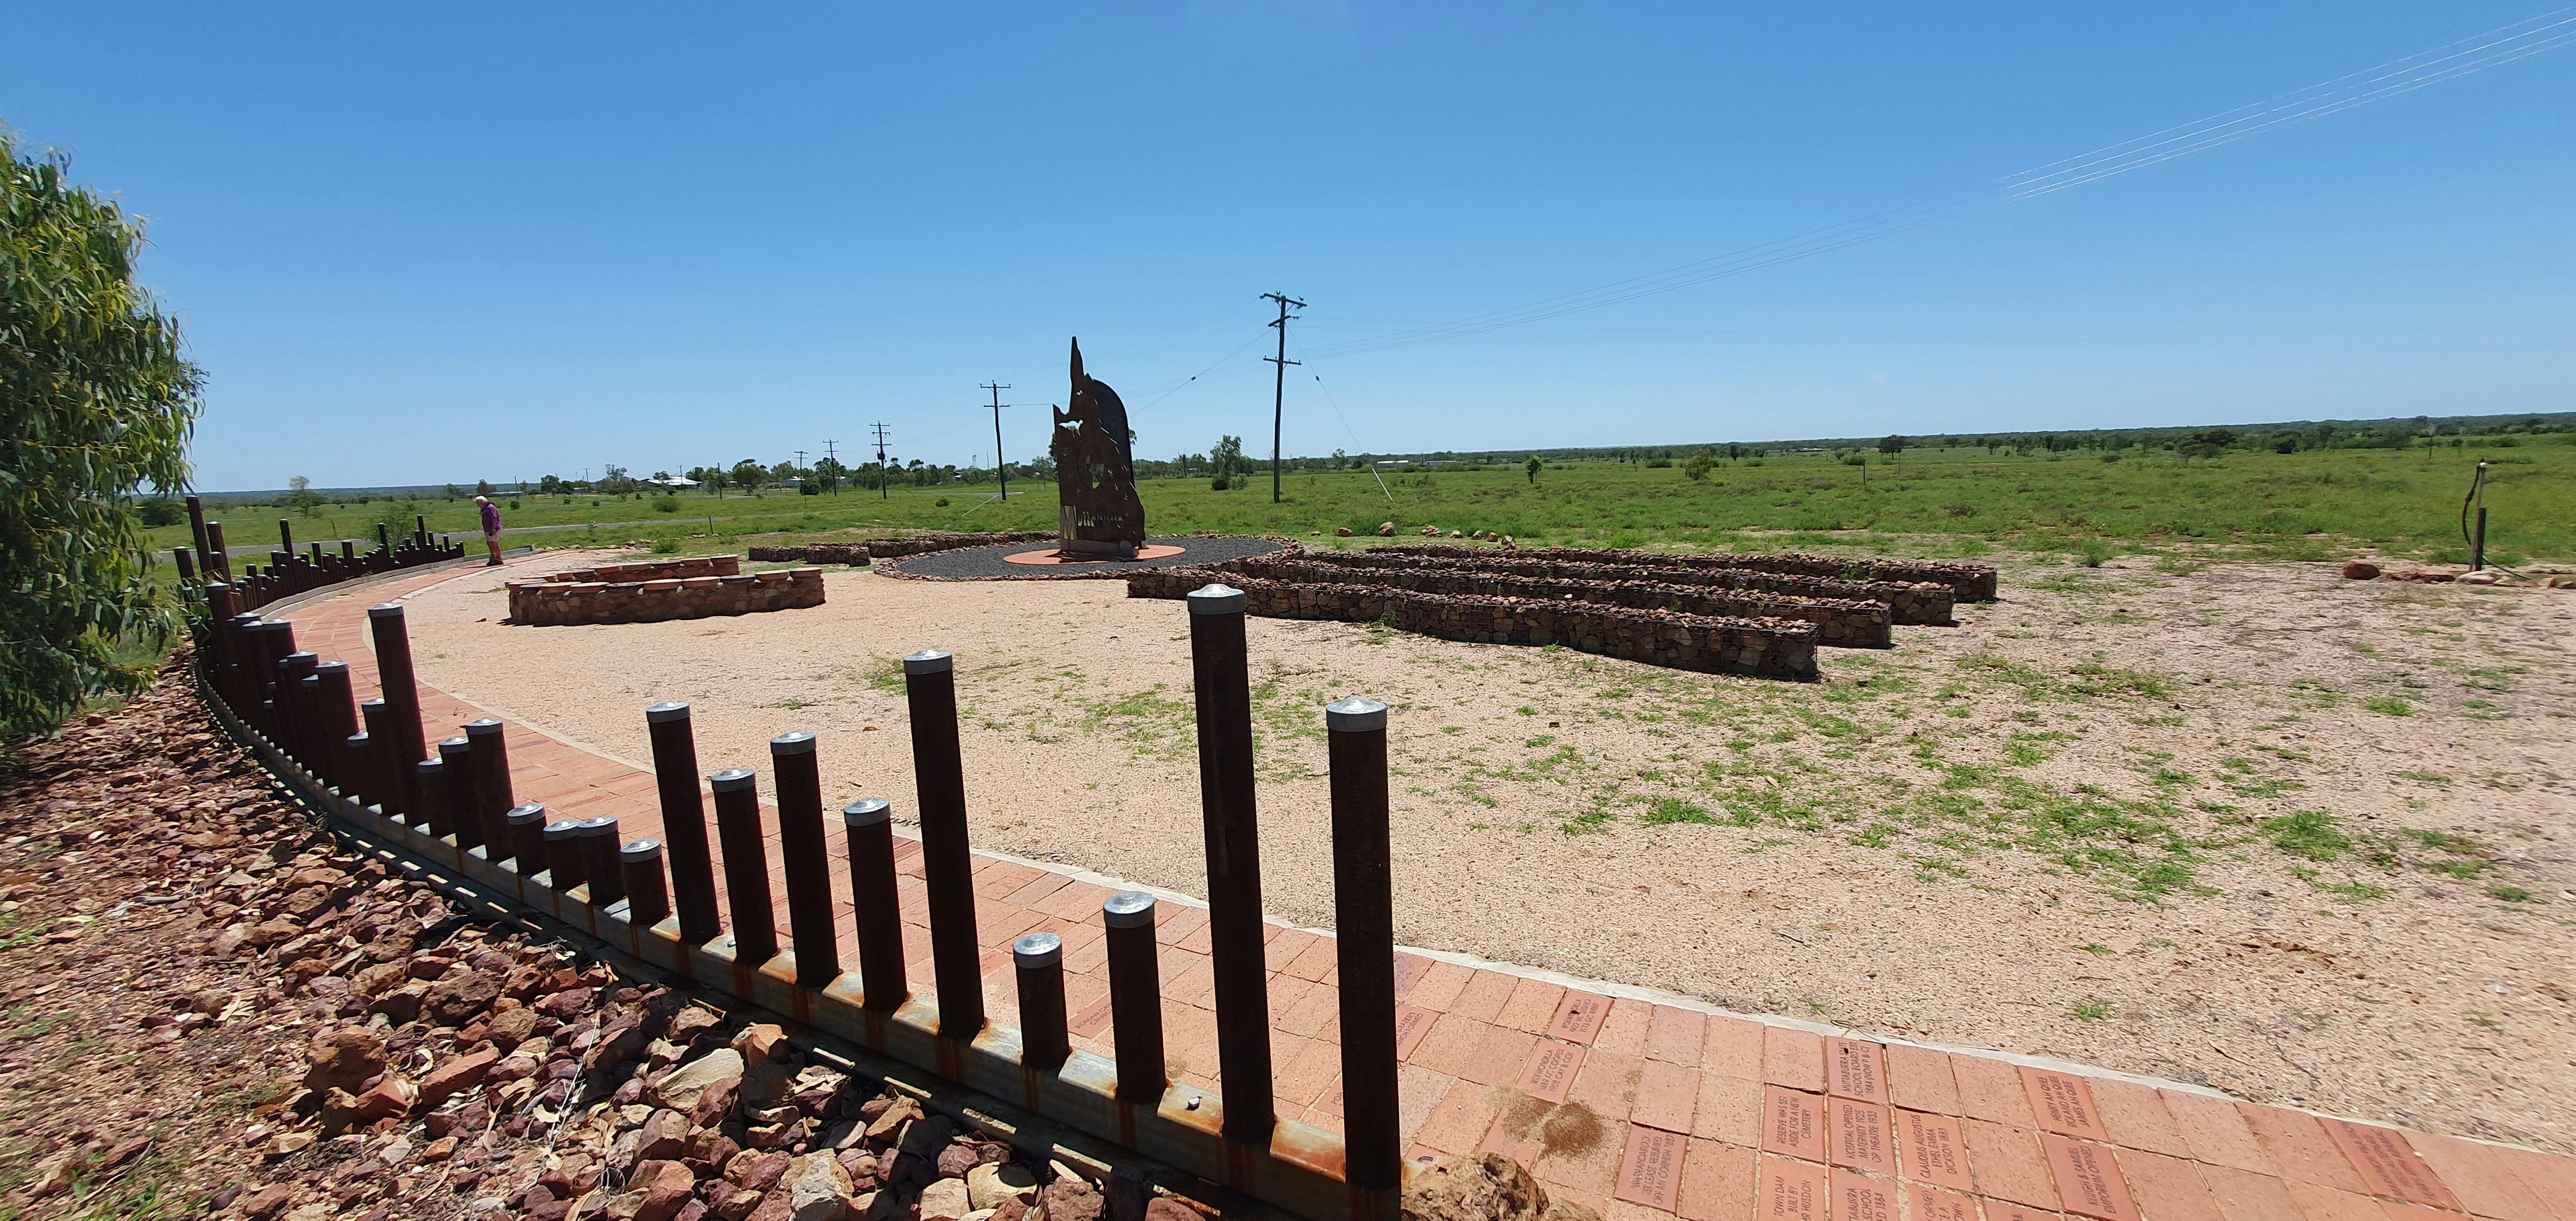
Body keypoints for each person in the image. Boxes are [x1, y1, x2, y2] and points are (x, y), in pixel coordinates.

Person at [475, 495, 503, 566]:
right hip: (488, 529)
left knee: (493, 543)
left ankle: (496, 557)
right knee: (492, 542)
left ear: (482, 502)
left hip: (493, 529)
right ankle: (496, 557)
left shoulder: (490, 508)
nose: (477, 505)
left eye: (478, 503)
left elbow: (494, 518)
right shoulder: (485, 509)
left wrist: (493, 529)